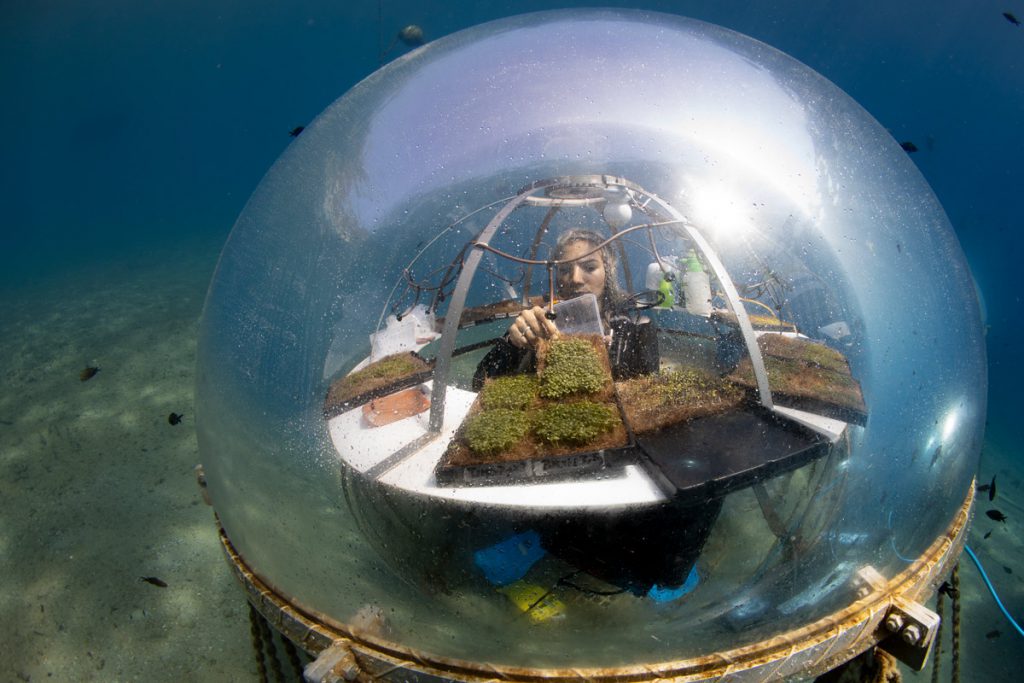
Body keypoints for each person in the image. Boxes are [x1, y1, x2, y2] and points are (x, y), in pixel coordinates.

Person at [472, 229, 659, 389]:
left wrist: (610, 358)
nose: (575, 278)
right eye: (564, 270)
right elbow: (479, 384)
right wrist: (513, 344)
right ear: (556, 278)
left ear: (608, 272)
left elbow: (648, 397)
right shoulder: (540, 322)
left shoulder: (635, 328)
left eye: (589, 267)